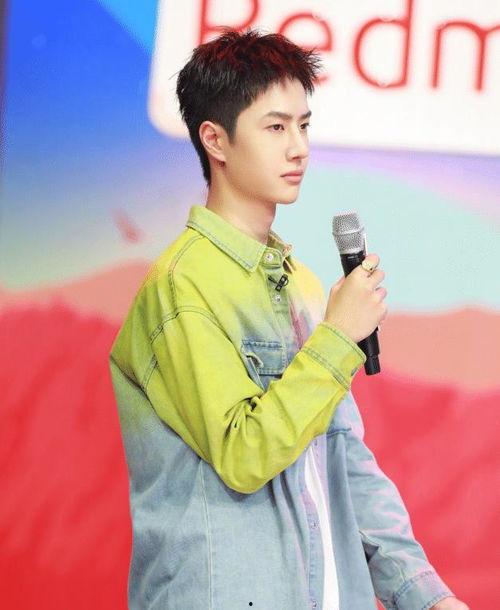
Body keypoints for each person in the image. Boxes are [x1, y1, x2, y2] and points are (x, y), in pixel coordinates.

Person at [108, 27, 468, 610]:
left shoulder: (299, 283)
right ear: (215, 140)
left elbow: (344, 460)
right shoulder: (182, 286)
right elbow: (244, 455)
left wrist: (424, 596)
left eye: (304, 125)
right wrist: (337, 336)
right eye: (276, 128)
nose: (299, 148)